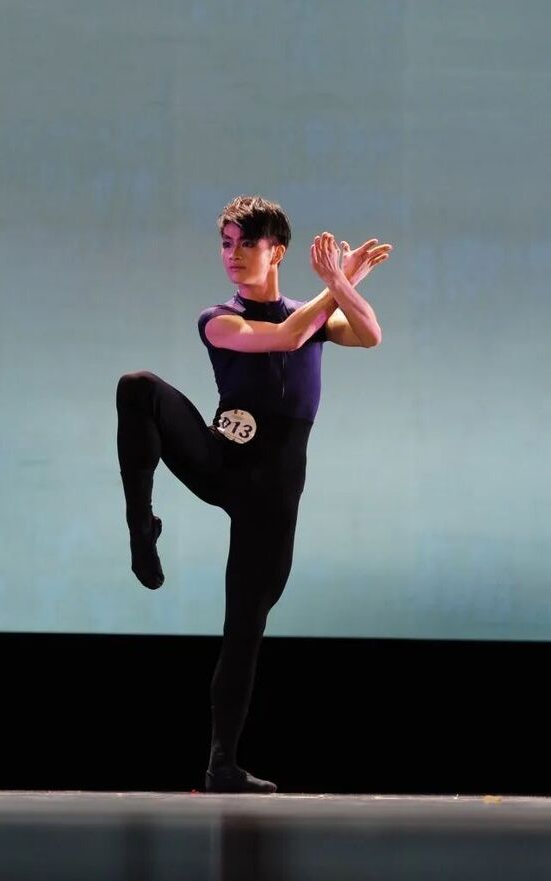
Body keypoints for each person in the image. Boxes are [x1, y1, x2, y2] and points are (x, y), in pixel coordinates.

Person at [116, 195, 392, 793]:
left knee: (245, 626)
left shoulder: (312, 315)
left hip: (273, 490)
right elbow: (287, 337)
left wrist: (342, 284)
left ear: (277, 252)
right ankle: (142, 527)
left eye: (246, 243)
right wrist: (335, 285)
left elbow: (370, 334)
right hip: (222, 460)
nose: (232, 254)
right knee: (138, 387)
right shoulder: (219, 318)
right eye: (225, 243)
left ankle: (223, 764)